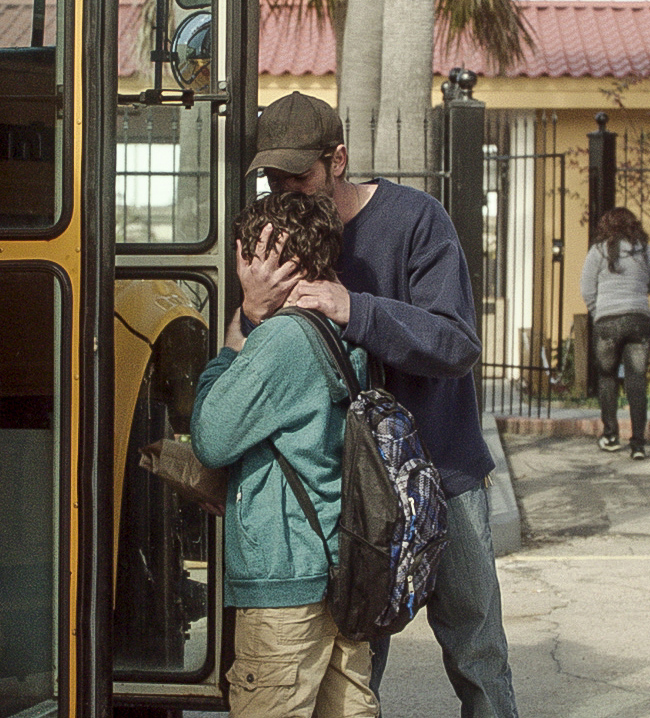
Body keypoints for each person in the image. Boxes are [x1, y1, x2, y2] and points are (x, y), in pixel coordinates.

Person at [240, 91, 518, 718]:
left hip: (440, 469)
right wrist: (251, 311)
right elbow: (267, 360)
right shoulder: (272, 231)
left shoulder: (416, 220)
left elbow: (456, 342)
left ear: (337, 160)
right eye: (274, 179)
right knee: (358, 661)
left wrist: (353, 308)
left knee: (475, 646)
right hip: (349, 486)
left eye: (300, 177)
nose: (286, 193)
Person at [191, 190, 377, 718]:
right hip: (337, 577)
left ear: (266, 255)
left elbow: (211, 434)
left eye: (243, 251)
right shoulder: (341, 326)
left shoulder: (283, 340)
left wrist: (237, 334)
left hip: (286, 587)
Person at [580, 207, 650, 460]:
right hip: (639, 320)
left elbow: (586, 289)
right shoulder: (647, 251)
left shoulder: (598, 251)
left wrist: (600, 312)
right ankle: (638, 444)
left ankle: (610, 435)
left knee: (607, 377)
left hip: (607, 322)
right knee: (636, 382)